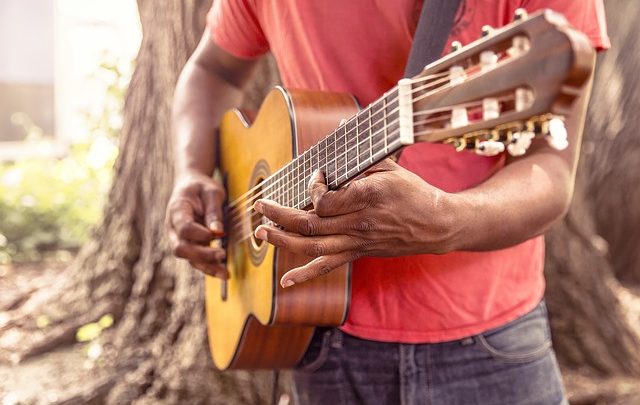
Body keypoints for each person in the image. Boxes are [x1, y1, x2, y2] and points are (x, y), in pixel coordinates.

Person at [166, 1, 609, 404]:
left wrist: (446, 220)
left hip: (489, 342)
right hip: (316, 332)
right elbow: (213, 70)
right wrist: (191, 171)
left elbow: (551, 170)